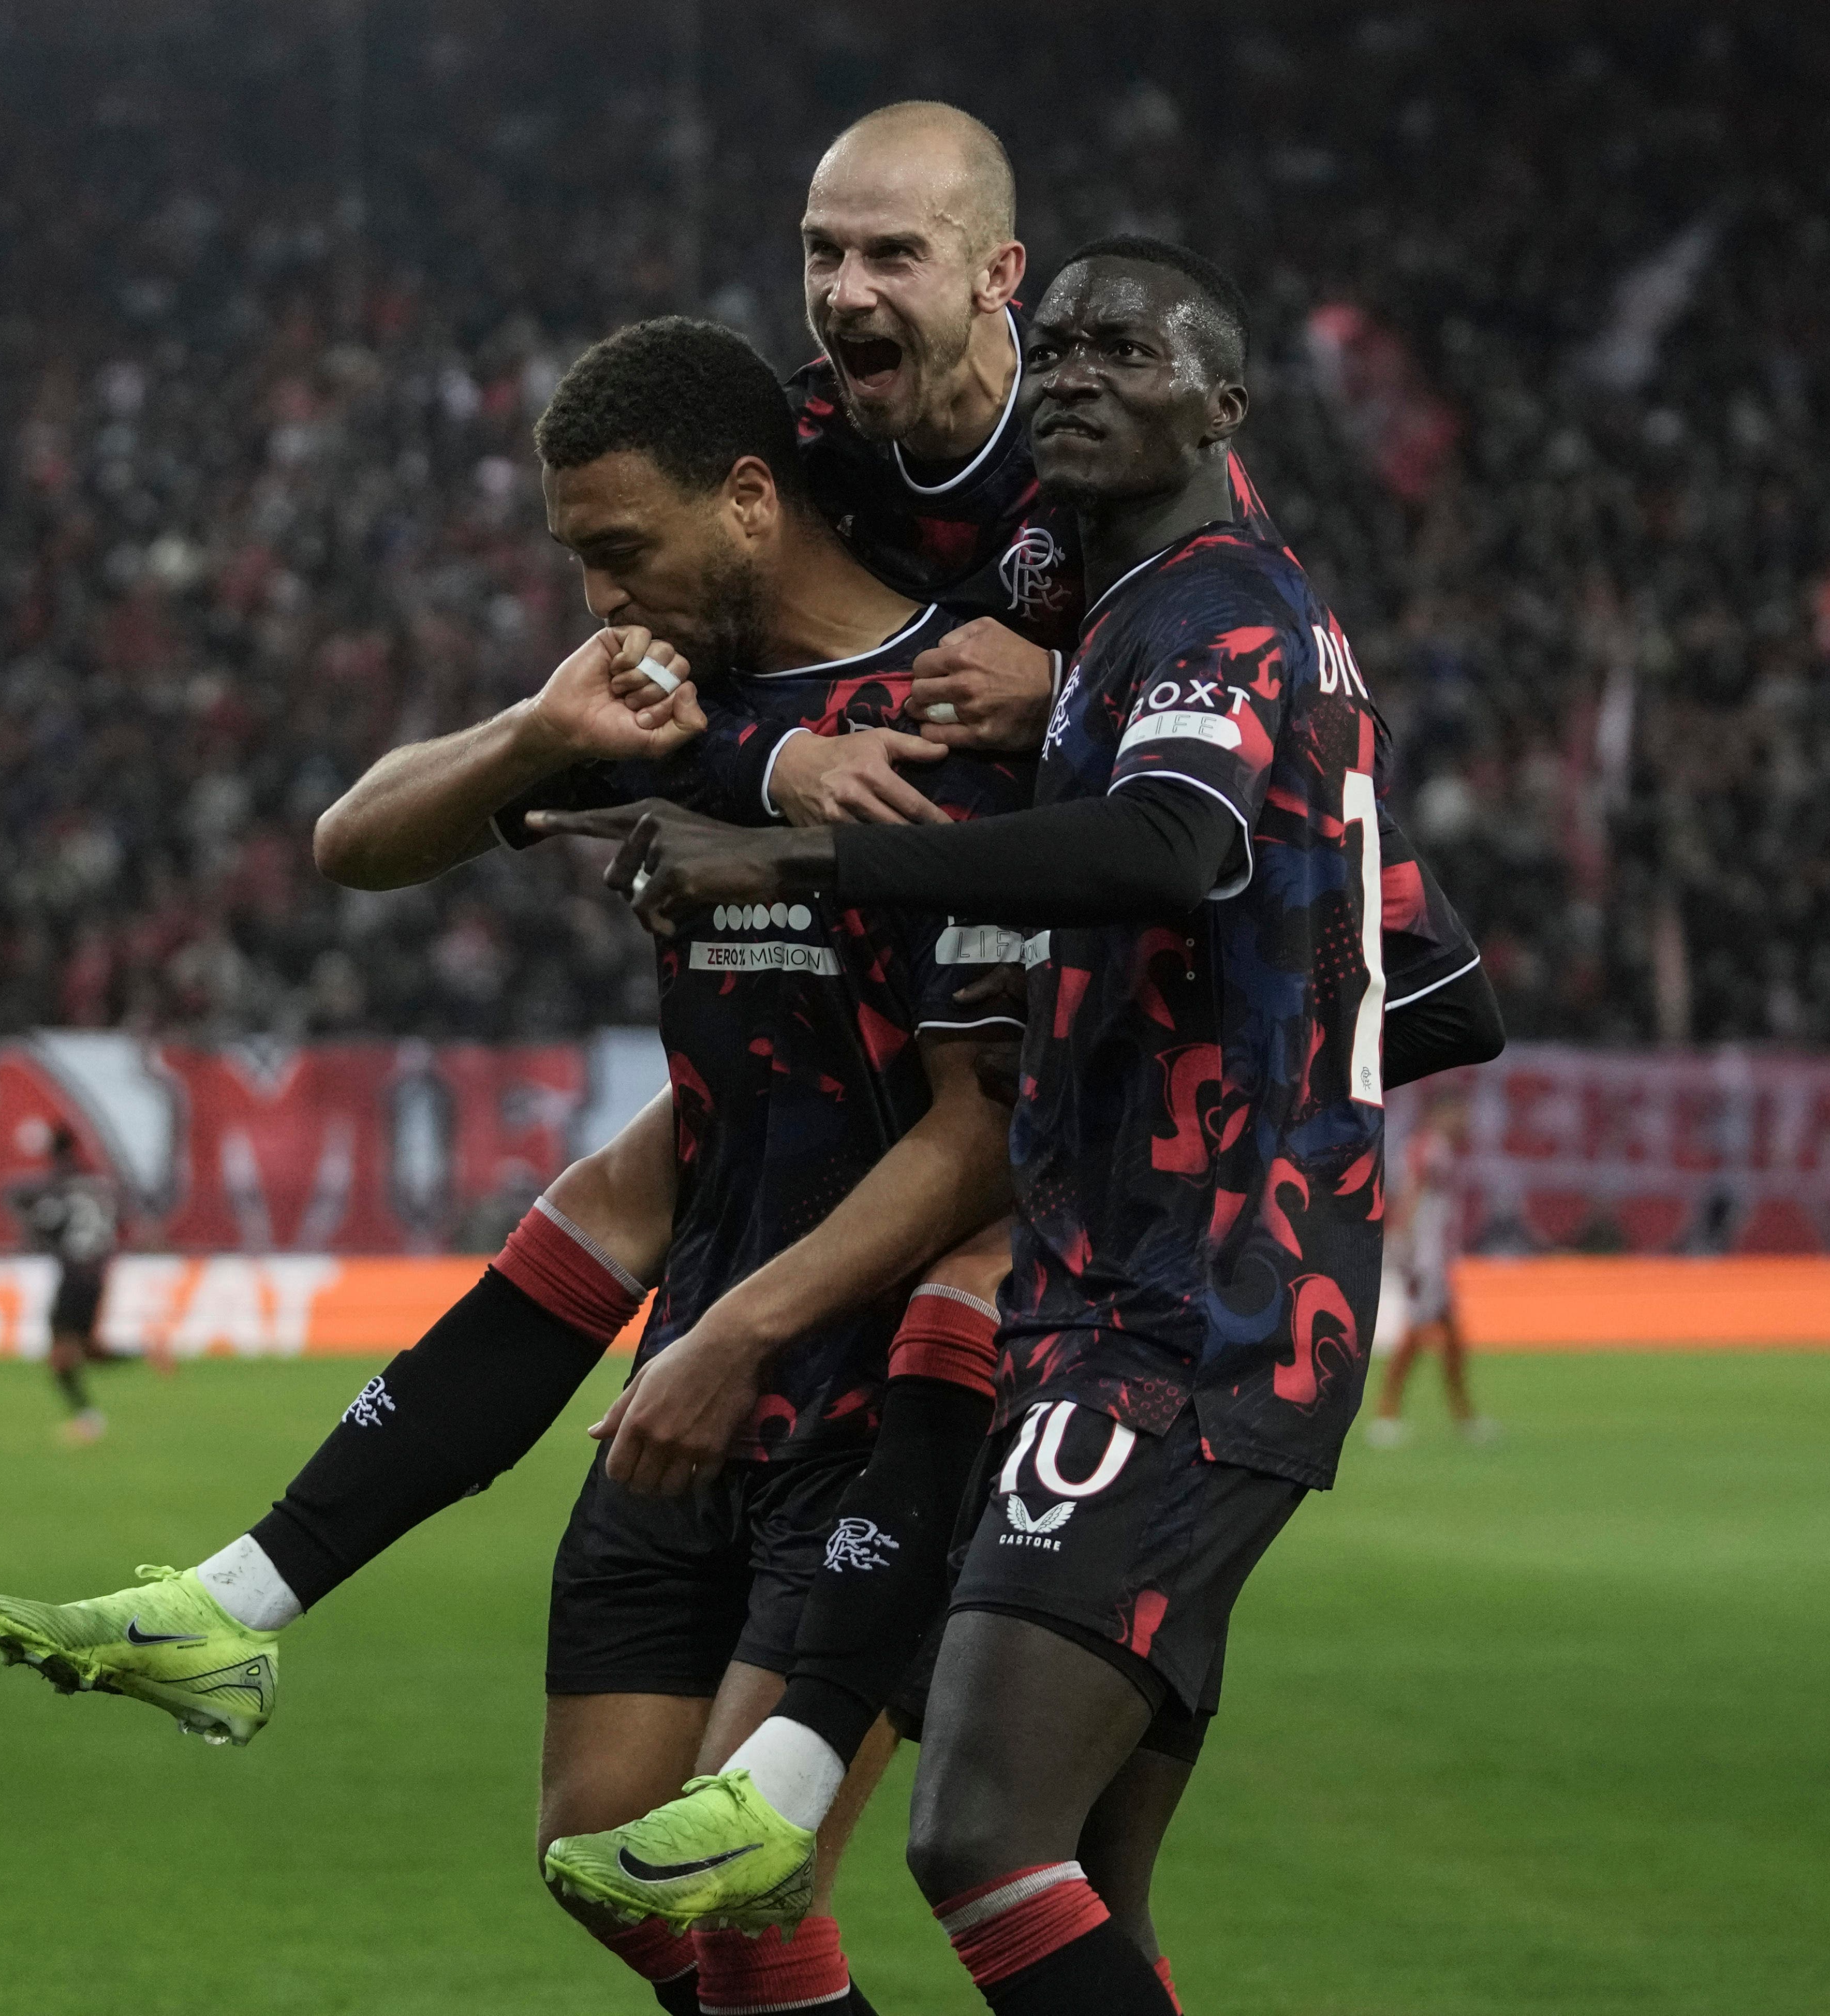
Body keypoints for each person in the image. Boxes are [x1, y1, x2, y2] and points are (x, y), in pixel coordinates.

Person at [0, 317, 1032, 2016]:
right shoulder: (668, 705)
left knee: (753, 1908)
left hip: (867, 1393)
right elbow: (355, 840)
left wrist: (736, 1336)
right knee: (601, 1856)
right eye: (577, 560)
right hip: (693, 1343)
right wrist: (541, 731)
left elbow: (984, 1132)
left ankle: (237, 1599)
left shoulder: (944, 729)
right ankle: (235, 1601)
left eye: (620, 549)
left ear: (752, 499)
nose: (602, 592)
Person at [540, 237, 1391, 2016]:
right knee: (1091, 1885)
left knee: (977, 1835)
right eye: (1055, 347)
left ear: (1224, 406)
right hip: (1125, 1293)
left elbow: (1171, 848)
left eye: (1125, 351)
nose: (1072, 374)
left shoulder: (1212, 609)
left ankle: (767, 1792)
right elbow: (1436, 980)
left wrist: (799, 848)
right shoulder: (1101, 624)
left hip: (1198, 1313)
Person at [1367, 1091, 1494, 1448]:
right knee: (1416, 1336)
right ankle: (1386, 1414)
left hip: (1433, 1259)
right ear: (1443, 1112)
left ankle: (1463, 1415)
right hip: (1424, 1260)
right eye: (1460, 1111)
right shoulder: (1430, 1148)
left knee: (1452, 1338)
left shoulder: (1433, 1147)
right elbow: (1411, 1193)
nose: (1465, 1120)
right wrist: (1401, 1242)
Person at [15, 1125, 134, 1443]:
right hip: (97, 1274)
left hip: (74, 1275)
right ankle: (146, 1355)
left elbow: (48, 1223)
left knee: (61, 1356)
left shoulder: (60, 1183)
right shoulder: (98, 1183)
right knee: (90, 1351)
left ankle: (87, 1420)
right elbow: (117, 1224)